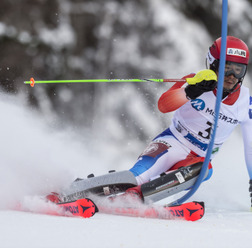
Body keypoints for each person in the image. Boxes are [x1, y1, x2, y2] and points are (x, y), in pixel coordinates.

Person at [49, 36, 252, 208]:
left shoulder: (245, 102)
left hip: (198, 158)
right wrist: (190, 92)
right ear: (214, 64)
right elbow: (164, 105)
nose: (232, 77)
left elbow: (250, 145)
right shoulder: (195, 81)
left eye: (238, 70)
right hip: (173, 142)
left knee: (204, 170)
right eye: (227, 69)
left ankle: (135, 199)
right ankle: (68, 192)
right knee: (135, 177)